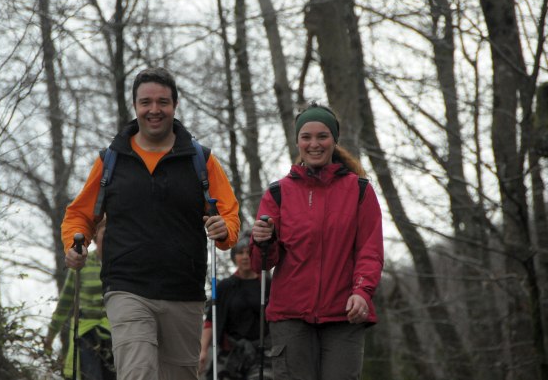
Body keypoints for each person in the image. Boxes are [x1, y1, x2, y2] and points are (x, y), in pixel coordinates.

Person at [62, 67, 241, 380]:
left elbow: (229, 214)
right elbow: (80, 214)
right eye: (146, 102)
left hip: (184, 290)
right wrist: (75, 242)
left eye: (163, 102)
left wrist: (224, 230)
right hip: (126, 287)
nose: (154, 110)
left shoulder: (201, 160)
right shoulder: (111, 160)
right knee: (138, 372)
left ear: (175, 105)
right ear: (135, 106)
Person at [250, 103, 384, 380]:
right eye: (306, 137)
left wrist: (362, 291)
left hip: (345, 316)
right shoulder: (277, 193)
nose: (314, 144)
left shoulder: (360, 190)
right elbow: (260, 263)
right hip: (290, 318)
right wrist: (263, 241)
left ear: (334, 140)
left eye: (322, 136)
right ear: (297, 141)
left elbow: (370, 251)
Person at [45, 217, 115, 380]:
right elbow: (65, 302)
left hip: (114, 332)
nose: (108, 239)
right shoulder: (82, 264)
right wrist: (50, 335)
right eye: (105, 233)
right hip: (86, 333)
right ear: (96, 236)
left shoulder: (120, 266)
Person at [198, 236, 272, 380]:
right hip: (230, 353)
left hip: (261, 353)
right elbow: (210, 321)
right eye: (240, 253)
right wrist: (203, 351)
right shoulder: (223, 287)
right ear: (234, 257)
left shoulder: (267, 285)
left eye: (249, 252)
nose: (245, 257)